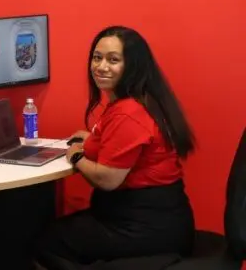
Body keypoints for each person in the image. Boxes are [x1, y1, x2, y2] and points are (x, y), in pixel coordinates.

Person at [36, 26, 197, 270]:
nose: (101, 67)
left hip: (144, 226)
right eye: (97, 57)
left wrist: (77, 155)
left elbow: (108, 179)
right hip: (160, 219)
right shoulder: (141, 100)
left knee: (46, 241)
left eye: (113, 60)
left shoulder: (128, 113)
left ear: (132, 66)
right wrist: (91, 140)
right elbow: (121, 144)